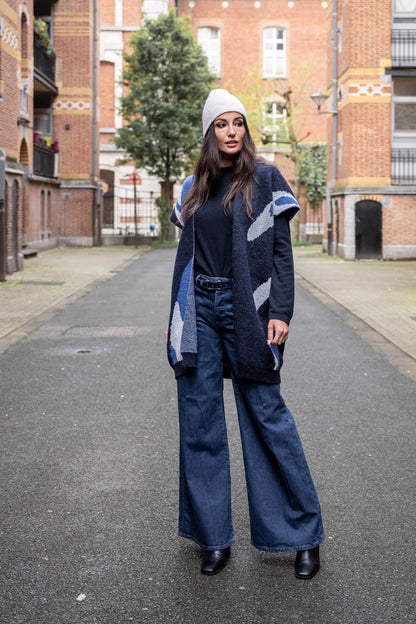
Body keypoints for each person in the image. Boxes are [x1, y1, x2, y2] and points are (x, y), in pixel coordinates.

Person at [166, 89, 324, 578]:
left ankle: (302, 534)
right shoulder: (193, 186)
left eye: (238, 123)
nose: (232, 131)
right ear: (210, 132)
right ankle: (213, 537)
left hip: (248, 308)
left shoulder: (266, 178)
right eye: (222, 124)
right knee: (199, 418)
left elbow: (280, 250)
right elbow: (188, 255)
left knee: (266, 414)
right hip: (200, 311)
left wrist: (282, 310)